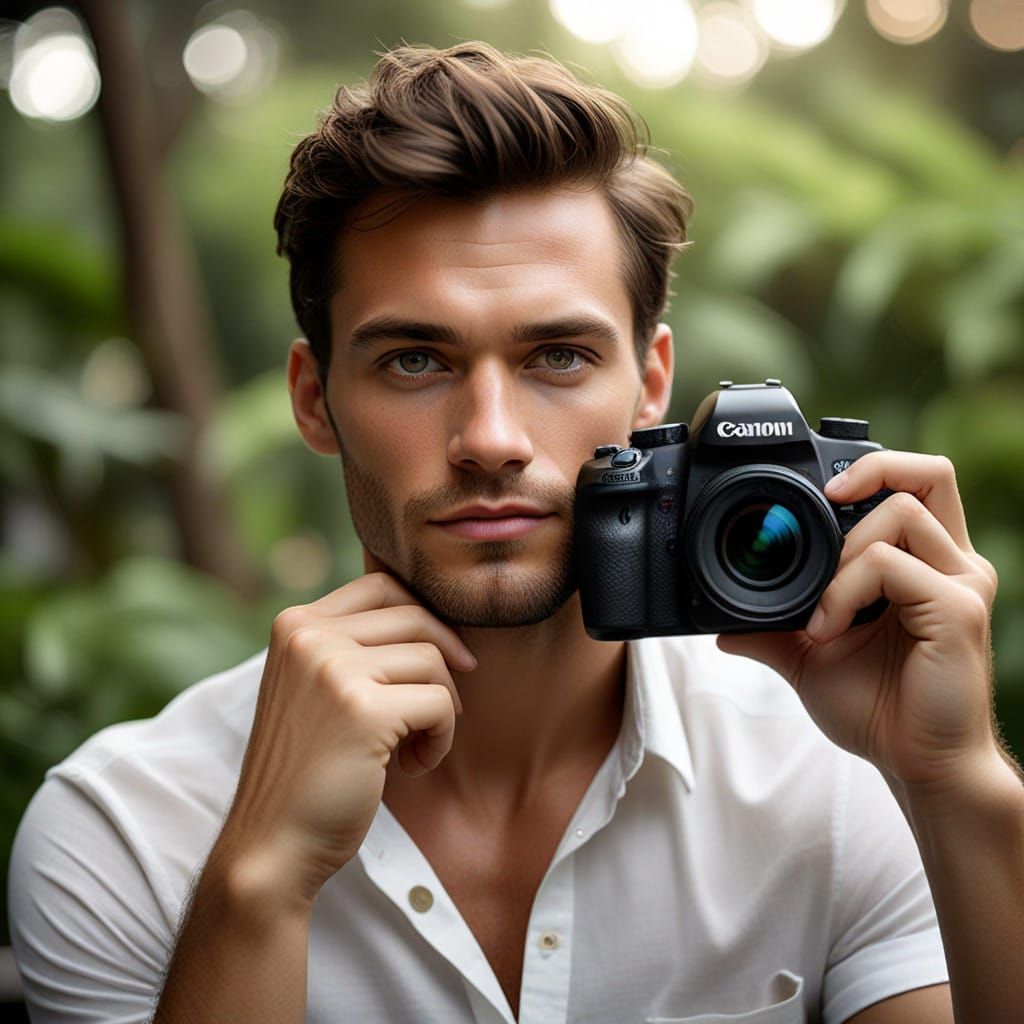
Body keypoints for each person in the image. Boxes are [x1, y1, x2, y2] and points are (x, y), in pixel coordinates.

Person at [8, 41, 1022, 1024]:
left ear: (650, 384)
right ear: (315, 402)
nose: (489, 440)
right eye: (414, 360)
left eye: (558, 357)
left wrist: (956, 781)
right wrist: (261, 882)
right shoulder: (125, 829)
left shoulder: (834, 782)